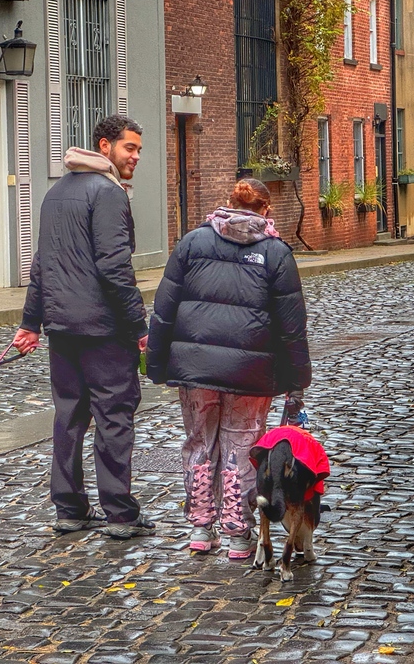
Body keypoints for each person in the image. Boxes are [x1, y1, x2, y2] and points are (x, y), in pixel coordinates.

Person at [145, 177, 311, 559]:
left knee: (199, 442)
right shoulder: (276, 253)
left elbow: (164, 308)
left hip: (195, 367)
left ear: (228, 203)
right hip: (250, 372)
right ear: (266, 210)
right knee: (241, 446)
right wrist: (297, 379)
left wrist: (157, 362)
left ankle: (201, 528)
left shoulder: (192, 242)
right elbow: (292, 325)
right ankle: (238, 533)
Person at [13, 114, 154, 540]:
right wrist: (139, 326)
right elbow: (114, 267)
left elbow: (42, 263)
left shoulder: (56, 193)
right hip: (103, 330)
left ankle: (70, 509)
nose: (135, 157)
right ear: (104, 145)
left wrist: (31, 322)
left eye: (139, 150)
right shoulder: (108, 193)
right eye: (130, 148)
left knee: (68, 417)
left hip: (63, 329)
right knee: (114, 416)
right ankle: (120, 514)